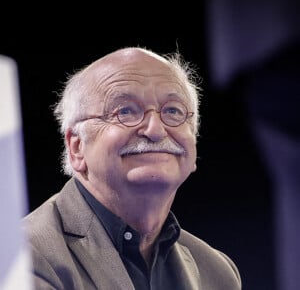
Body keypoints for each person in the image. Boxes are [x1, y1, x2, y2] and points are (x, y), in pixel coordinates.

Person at [22, 46, 242, 290]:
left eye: (172, 111)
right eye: (125, 111)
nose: (156, 130)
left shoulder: (217, 272)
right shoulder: (22, 257)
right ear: (77, 147)